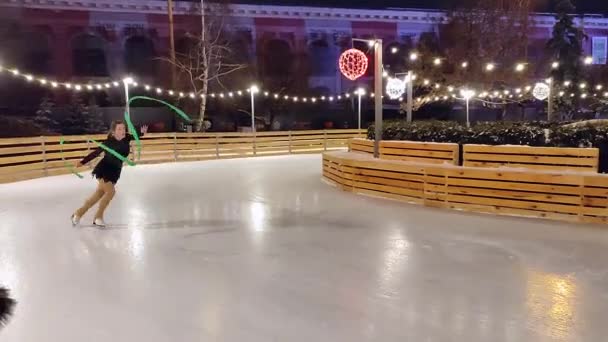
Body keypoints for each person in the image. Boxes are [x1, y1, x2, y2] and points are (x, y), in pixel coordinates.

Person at [71, 120, 148, 227]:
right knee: (111, 192)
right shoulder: (108, 143)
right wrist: (82, 162)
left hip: (115, 171)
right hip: (104, 169)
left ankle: (77, 214)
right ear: (113, 131)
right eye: (119, 129)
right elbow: (95, 153)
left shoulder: (126, 138)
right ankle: (98, 217)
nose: (122, 131)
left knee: (98, 195)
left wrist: (142, 133)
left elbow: (136, 136)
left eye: (123, 128)